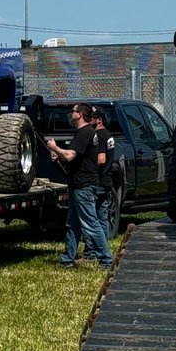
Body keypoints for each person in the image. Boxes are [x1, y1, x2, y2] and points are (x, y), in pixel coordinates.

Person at [46, 103, 112, 269]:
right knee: (73, 224)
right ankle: (67, 259)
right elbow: (76, 158)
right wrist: (58, 156)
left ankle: (106, 260)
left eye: (73, 111)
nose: (71, 114)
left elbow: (69, 156)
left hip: (84, 186)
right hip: (78, 185)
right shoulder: (87, 132)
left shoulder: (84, 132)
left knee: (91, 224)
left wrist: (54, 147)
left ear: (80, 115)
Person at [91, 106, 115, 241]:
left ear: (99, 120)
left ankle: (94, 247)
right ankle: (104, 244)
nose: (89, 119)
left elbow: (101, 159)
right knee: (102, 216)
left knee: (92, 217)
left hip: (99, 181)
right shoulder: (108, 135)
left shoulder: (99, 136)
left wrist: (86, 166)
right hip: (107, 180)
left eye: (92, 117)